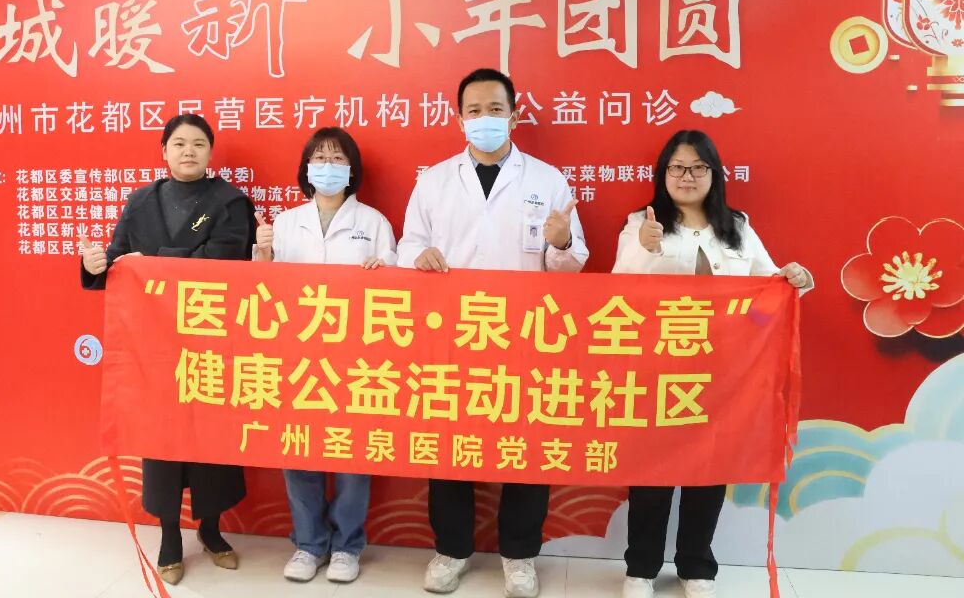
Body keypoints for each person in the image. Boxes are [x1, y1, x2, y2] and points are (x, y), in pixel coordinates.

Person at [398, 67, 589, 598]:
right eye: (475, 110)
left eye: (496, 109)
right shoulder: (434, 180)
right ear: (459, 119)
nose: (485, 118)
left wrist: (562, 240)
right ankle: (451, 549)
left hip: (525, 333)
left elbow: (571, 265)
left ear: (514, 115)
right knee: (449, 445)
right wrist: (420, 255)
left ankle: (520, 556)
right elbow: (407, 244)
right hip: (451, 333)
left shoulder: (546, 180)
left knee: (525, 447)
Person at [612, 129, 813, 598]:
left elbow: (769, 292)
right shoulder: (641, 223)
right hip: (658, 369)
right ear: (663, 174)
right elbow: (619, 291)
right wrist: (645, 245)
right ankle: (641, 567)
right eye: (677, 167)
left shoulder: (737, 226)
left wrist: (797, 280)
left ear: (714, 174)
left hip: (724, 372)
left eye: (698, 167)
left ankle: (696, 565)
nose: (687, 176)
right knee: (652, 471)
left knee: (710, 467)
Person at [79, 113, 256, 586]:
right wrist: (95, 264)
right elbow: (119, 259)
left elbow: (223, 261)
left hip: (211, 337)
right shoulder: (140, 201)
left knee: (212, 440)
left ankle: (212, 531)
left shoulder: (230, 201)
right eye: (178, 143)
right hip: (153, 343)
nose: (188, 151)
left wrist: (152, 262)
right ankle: (170, 537)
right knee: (160, 440)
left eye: (198, 143)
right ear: (164, 151)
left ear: (210, 152)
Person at [254, 127, 397, 584]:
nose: (328, 166)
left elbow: (397, 289)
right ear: (306, 168)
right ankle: (309, 543)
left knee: (353, 453)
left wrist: (384, 271)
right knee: (300, 449)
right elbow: (263, 290)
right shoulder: (285, 222)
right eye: (320, 158)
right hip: (297, 353)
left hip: (357, 356)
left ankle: (347, 546)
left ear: (352, 170)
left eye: (338, 158)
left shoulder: (374, 222)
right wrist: (262, 253)